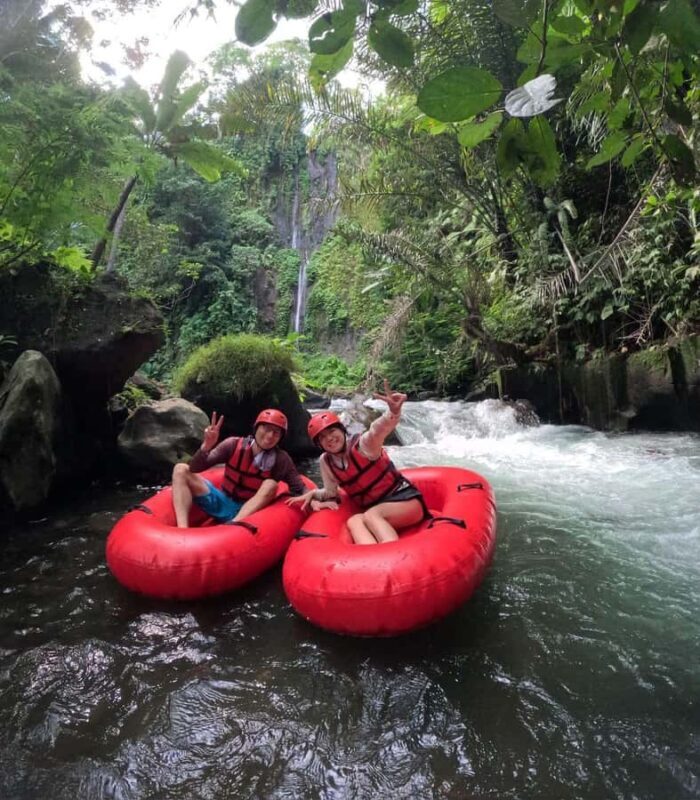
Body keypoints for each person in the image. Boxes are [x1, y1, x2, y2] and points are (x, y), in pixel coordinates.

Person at [287, 381, 428, 545]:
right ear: (319, 445)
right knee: (354, 521)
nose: (329, 439)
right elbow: (331, 493)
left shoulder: (364, 446)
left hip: (405, 501)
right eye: (322, 438)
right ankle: (374, 559)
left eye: (332, 431)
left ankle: (392, 553)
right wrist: (314, 494)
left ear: (342, 430)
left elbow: (378, 429)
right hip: (378, 510)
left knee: (371, 515)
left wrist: (393, 412)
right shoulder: (326, 462)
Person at [171, 408, 306, 528]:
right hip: (221, 500)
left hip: (249, 512)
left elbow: (300, 488)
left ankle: (232, 527)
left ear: (280, 438)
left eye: (276, 432)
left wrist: (316, 499)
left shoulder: (281, 460)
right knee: (181, 469)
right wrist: (206, 446)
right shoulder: (232, 445)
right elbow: (195, 468)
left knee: (270, 484)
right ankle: (182, 530)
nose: (270, 436)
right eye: (266, 428)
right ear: (256, 428)